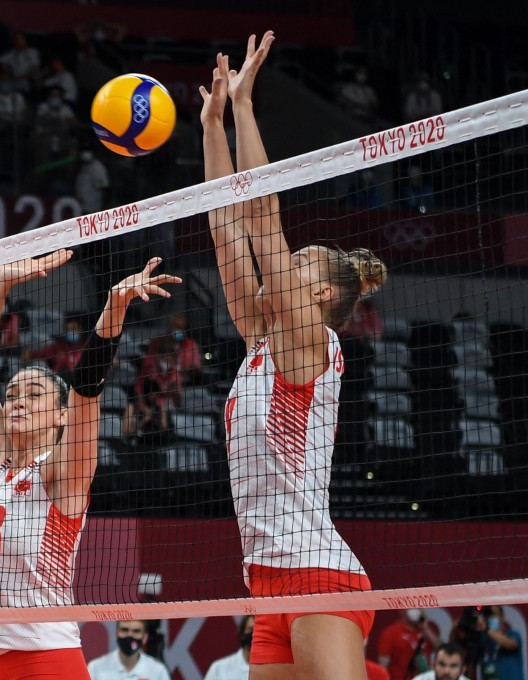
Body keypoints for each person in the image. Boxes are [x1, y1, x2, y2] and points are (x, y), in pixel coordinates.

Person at [200, 34, 388, 679]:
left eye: (296, 263)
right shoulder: (262, 343)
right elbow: (227, 227)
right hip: (268, 582)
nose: (283, 263)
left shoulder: (314, 345)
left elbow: (261, 218)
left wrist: (248, 106)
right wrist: (213, 126)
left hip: (320, 577)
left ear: (320, 294)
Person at [0, 251, 180, 679]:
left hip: (44, 654)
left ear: (60, 414)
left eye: (35, 394)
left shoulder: (61, 471)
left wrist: (114, 310)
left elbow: (86, 392)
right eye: (13, 395)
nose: (18, 400)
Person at [87, 620, 171, 680]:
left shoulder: (158, 671)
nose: (130, 635)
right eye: (124, 630)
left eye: (136, 631)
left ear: (145, 637)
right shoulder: (95, 668)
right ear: (116, 634)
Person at [378, 610, 442, 680]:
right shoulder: (390, 633)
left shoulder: (426, 632)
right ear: (402, 610)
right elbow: (383, 666)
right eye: (410, 607)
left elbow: (441, 649)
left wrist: (425, 628)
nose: (414, 609)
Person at [203, 616, 254, 680]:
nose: (256, 634)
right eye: (251, 629)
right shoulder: (219, 669)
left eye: (260, 631)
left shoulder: (269, 670)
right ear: (242, 635)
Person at [481, 605, 523, 680]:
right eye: (488, 615)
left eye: (493, 614)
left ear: (502, 617)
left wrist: (487, 629)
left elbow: (511, 644)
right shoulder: (484, 639)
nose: (490, 618)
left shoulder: (512, 634)